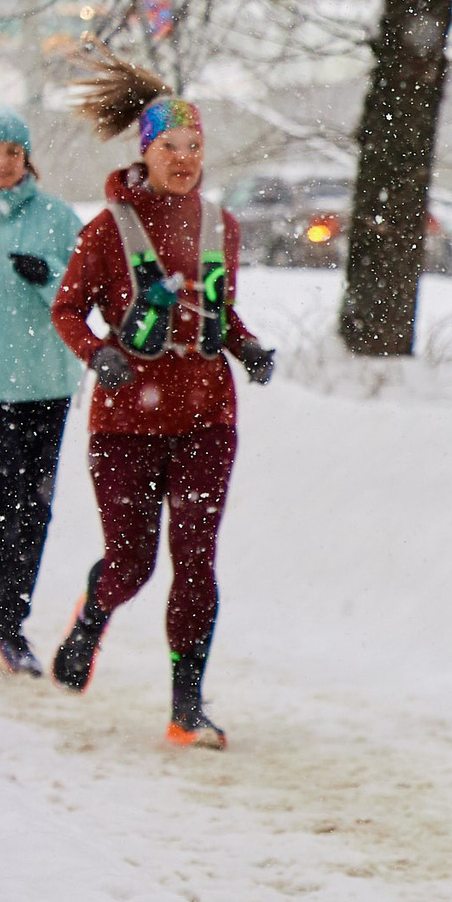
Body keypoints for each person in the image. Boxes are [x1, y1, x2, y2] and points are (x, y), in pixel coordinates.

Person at [49, 51, 278, 746]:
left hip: (208, 413)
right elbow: (67, 309)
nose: (184, 158)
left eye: (194, 145)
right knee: (132, 562)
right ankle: (93, 615)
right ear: (145, 152)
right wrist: (101, 354)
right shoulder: (110, 228)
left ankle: (186, 703)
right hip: (126, 421)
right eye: (169, 146)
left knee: (196, 557)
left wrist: (247, 348)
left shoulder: (220, 226)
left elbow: (216, 312)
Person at [0, 105, 87, 676]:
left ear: (28, 159)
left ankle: (10, 623)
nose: (2, 163)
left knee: (30, 508)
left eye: (11, 152)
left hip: (42, 385)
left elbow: (85, 289)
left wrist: (48, 272)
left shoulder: (55, 217)